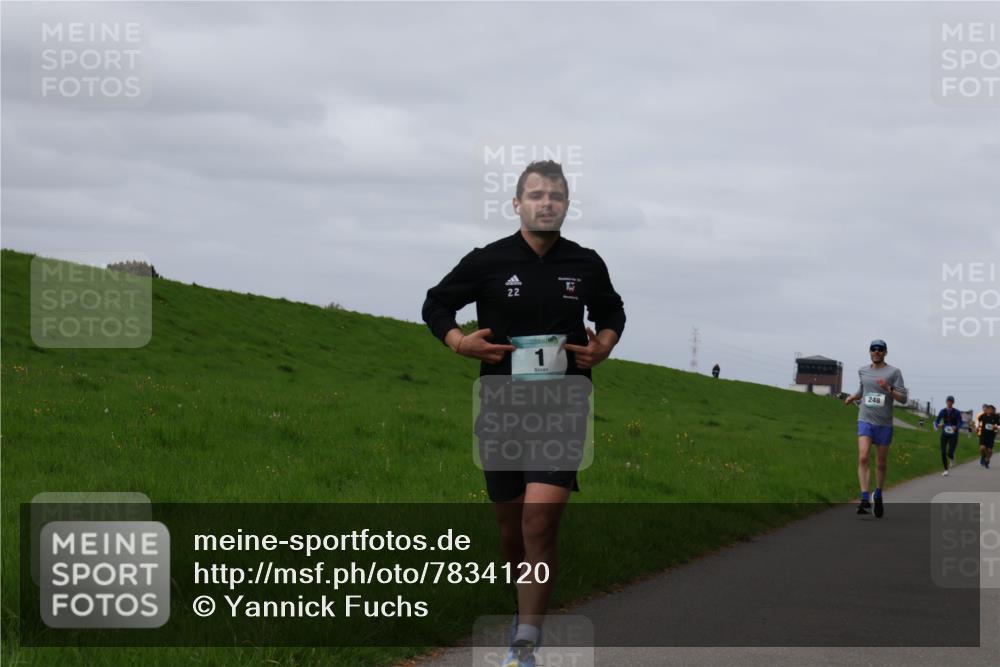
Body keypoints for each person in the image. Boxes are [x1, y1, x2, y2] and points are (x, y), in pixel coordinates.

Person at [422, 160, 626, 667]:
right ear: (517, 204)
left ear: (566, 204)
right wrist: (458, 341)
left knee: (539, 522)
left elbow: (612, 310)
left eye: (556, 195)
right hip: (502, 405)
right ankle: (522, 606)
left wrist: (603, 343)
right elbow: (435, 304)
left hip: (563, 404)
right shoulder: (488, 261)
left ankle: (525, 644)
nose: (547, 202)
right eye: (536, 195)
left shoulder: (586, 263)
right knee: (511, 527)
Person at [843, 339, 907, 518]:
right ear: (870, 352)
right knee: (863, 457)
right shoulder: (863, 371)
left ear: (885, 352)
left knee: (881, 463)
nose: (876, 352)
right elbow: (862, 392)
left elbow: (903, 398)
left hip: (884, 423)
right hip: (865, 419)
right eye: (873, 349)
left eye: (880, 350)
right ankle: (864, 497)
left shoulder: (894, 372)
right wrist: (852, 397)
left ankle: (878, 493)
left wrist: (889, 389)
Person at [934, 396, 964, 475]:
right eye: (948, 401)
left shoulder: (956, 412)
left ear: (953, 403)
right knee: (943, 452)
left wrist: (956, 427)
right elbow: (936, 421)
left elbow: (961, 422)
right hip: (944, 434)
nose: (949, 403)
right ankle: (946, 470)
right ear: (946, 402)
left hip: (954, 435)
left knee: (950, 452)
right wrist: (938, 425)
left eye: (951, 401)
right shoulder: (942, 411)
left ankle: (952, 458)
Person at [977, 404, 998, 469]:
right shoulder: (982, 416)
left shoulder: (996, 417)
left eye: (991, 410)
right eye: (988, 409)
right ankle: (984, 457)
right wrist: (977, 428)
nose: (990, 411)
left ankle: (987, 460)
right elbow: (978, 422)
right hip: (983, 435)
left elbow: (998, 426)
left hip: (991, 435)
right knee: (982, 448)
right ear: (987, 410)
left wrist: (996, 427)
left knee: (990, 450)